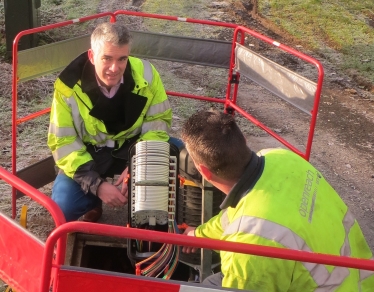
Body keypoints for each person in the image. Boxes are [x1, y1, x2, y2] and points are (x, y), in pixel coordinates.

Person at [180, 110, 374, 291]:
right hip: (362, 279)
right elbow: (235, 217)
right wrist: (199, 234)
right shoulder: (281, 157)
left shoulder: (249, 250)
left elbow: (250, 231)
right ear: (244, 141)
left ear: (203, 171)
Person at [47, 22, 173, 222]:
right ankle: (93, 203)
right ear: (91, 56)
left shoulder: (147, 74)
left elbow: (158, 122)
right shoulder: (68, 87)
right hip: (89, 153)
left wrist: (139, 163)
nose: (115, 68)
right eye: (107, 58)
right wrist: (97, 185)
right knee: (63, 208)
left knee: (181, 156)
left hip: (135, 146)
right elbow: (63, 142)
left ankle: (154, 220)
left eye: (122, 59)